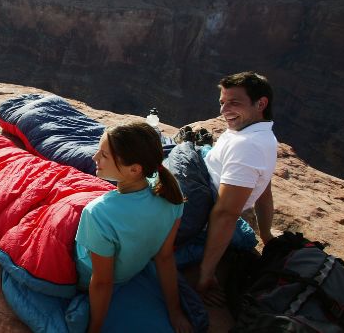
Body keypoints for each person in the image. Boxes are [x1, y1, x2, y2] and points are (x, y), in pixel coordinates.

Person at [75, 122, 192, 333]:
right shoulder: (171, 194)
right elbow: (165, 257)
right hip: (129, 269)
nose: (95, 158)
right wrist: (175, 312)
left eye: (104, 155)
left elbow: (102, 282)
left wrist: (94, 329)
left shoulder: (98, 213)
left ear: (135, 169)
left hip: (85, 273)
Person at [197, 71, 278, 301]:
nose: (223, 111)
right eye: (222, 102)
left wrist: (205, 274)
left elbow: (226, 214)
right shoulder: (252, 133)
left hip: (196, 210)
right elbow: (265, 192)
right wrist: (266, 235)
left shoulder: (248, 147)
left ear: (261, 103)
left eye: (234, 103)